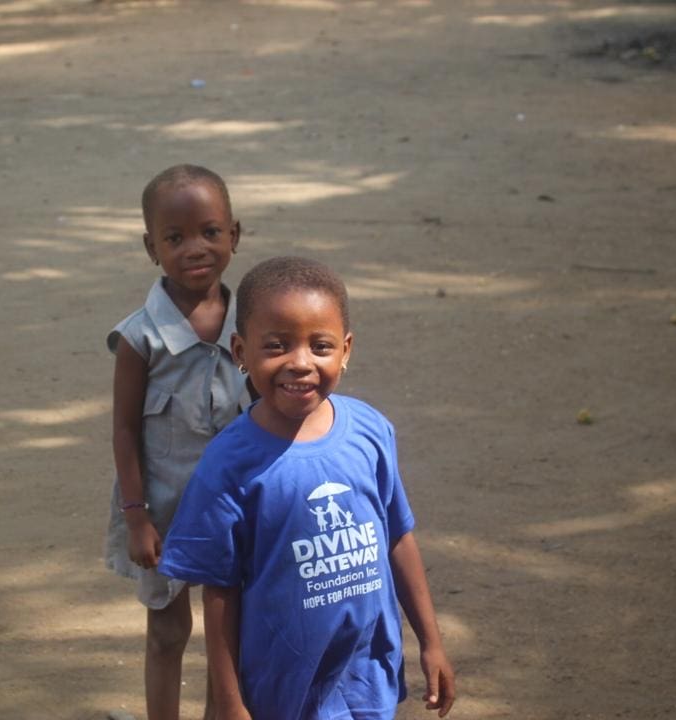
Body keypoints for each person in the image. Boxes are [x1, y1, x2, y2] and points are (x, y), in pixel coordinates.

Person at [158, 256, 456, 719]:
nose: (300, 363)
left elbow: (397, 537)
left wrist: (431, 642)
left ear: (346, 350)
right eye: (276, 346)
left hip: (365, 676)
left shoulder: (370, 432)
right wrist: (230, 703)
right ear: (240, 352)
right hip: (282, 688)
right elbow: (219, 592)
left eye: (320, 346)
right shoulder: (228, 463)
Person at [104, 164, 245, 720]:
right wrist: (136, 516)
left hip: (234, 510)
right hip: (161, 510)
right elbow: (123, 429)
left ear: (235, 234)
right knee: (167, 630)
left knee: (226, 633)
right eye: (174, 237)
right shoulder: (139, 337)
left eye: (210, 232)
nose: (195, 248)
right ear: (150, 246)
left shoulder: (254, 324)